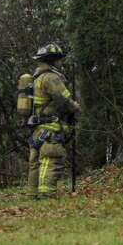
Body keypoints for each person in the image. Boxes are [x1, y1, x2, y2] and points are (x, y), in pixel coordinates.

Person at [29, 43, 81, 199]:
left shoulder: (37, 76)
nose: (61, 63)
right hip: (51, 127)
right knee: (51, 159)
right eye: (59, 60)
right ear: (53, 60)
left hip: (38, 127)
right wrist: (76, 108)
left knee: (35, 162)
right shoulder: (51, 77)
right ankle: (46, 194)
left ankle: (33, 194)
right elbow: (63, 100)